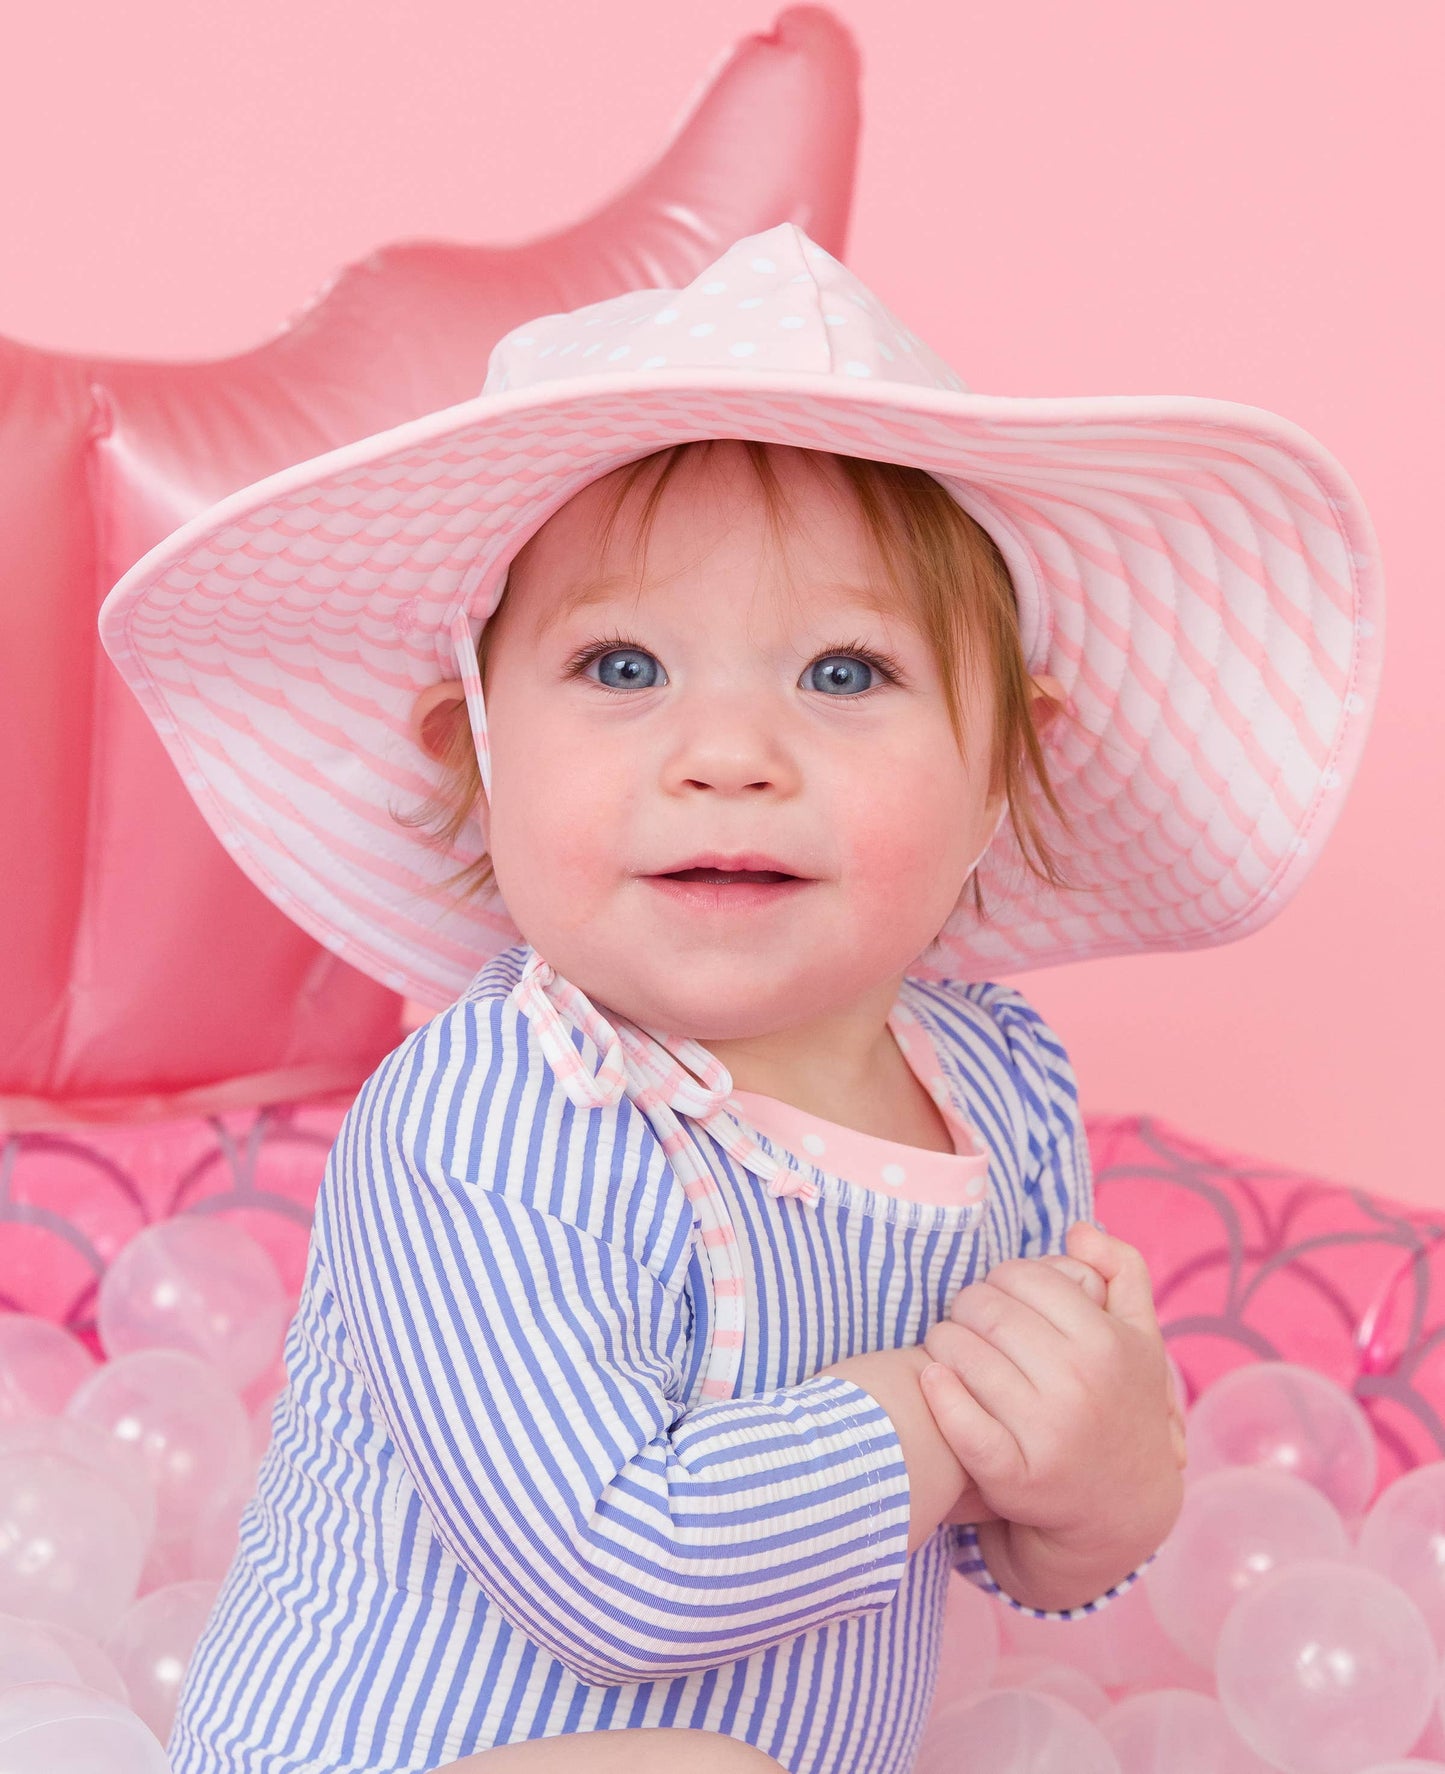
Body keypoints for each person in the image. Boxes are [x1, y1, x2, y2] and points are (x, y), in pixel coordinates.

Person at [98, 221, 1383, 1774]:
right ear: (477, 757)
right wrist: (947, 1403)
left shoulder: (1005, 1089)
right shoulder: (488, 1116)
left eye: (843, 674)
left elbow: (1008, 1541)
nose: (726, 752)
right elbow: (610, 1570)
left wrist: (1103, 1478)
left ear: (1001, 770)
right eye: (623, 666)